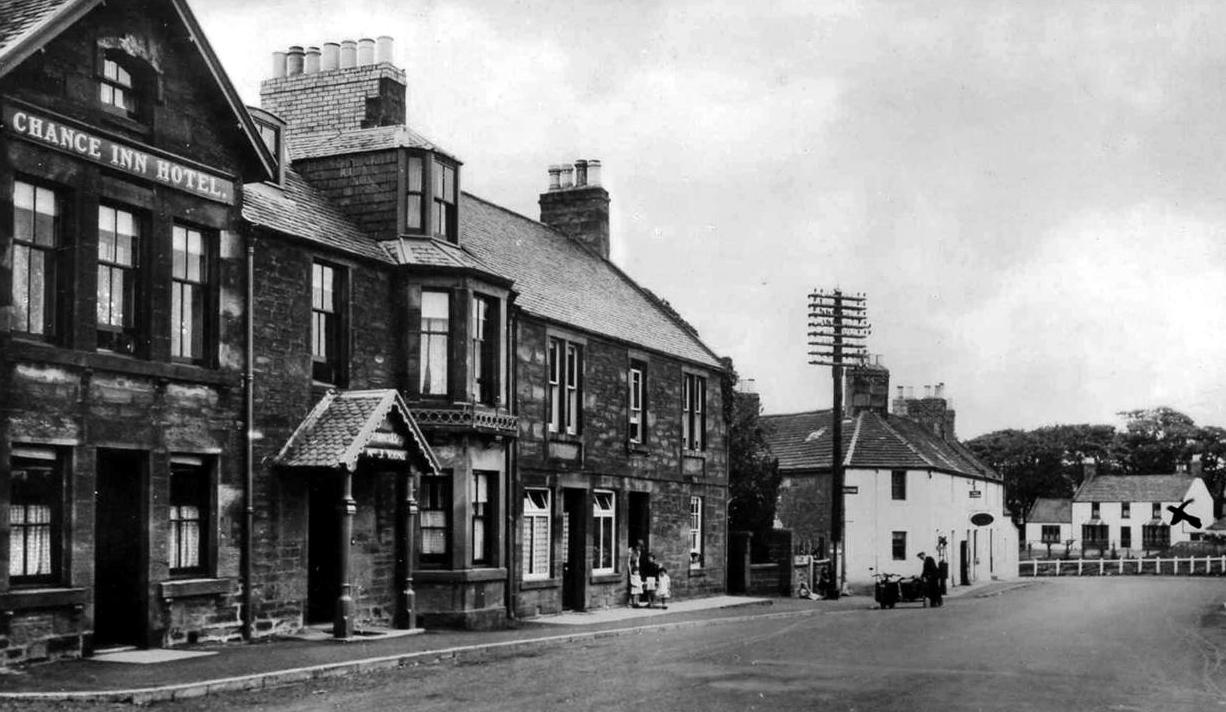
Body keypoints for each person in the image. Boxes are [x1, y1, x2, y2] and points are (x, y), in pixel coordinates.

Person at [627, 542, 643, 607]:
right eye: (638, 546)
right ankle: (630, 601)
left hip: (635, 569)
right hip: (631, 569)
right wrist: (630, 571)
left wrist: (637, 569)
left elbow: (637, 561)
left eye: (640, 547)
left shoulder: (638, 552)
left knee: (636, 585)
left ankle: (636, 601)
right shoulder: (630, 551)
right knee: (631, 585)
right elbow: (628, 562)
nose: (639, 548)